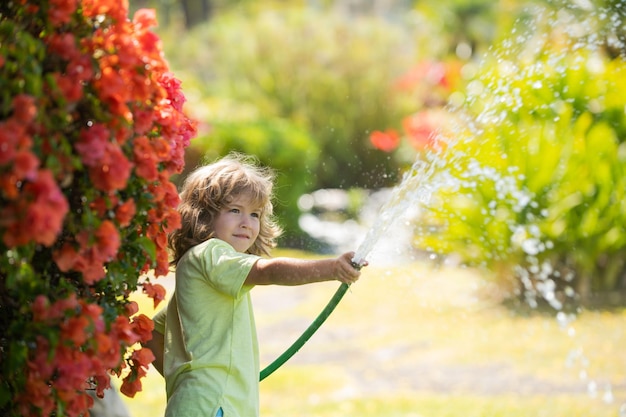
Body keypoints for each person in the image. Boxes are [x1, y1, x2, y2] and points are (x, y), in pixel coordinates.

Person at [143, 153, 365, 417]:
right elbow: (268, 271)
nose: (246, 222)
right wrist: (331, 268)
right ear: (203, 216)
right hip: (213, 404)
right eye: (234, 210)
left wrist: (185, 384)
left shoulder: (202, 273)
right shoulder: (211, 253)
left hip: (208, 403)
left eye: (255, 214)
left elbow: (151, 335)